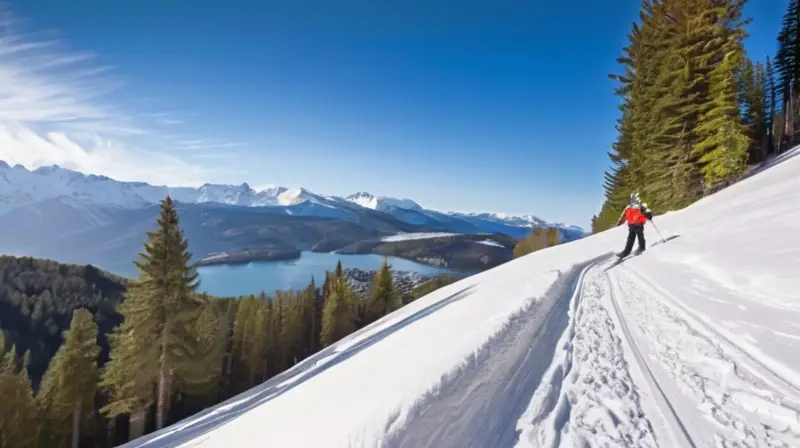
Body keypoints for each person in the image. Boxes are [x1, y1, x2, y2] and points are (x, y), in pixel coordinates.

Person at [615, 192, 653, 259]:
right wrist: (620, 222)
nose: (632, 200)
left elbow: (647, 213)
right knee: (630, 238)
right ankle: (626, 251)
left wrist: (648, 215)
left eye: (633, 199)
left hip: (639, 224)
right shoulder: (628, 208)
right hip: (631, 225)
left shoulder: (641, 207)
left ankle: (642, 247)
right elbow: (624, 216)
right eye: (631, 199)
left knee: (640, 235)